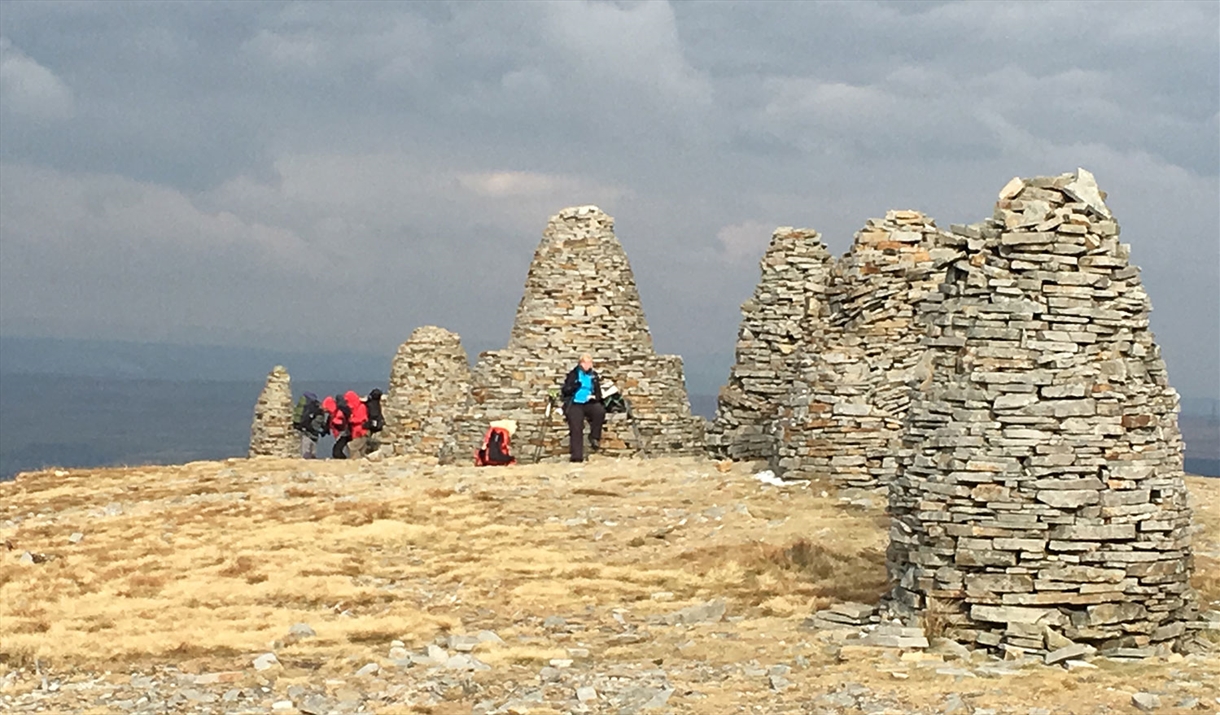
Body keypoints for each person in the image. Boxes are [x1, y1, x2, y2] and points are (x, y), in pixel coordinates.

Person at [560, 353, 605, 463]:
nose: (589, 365)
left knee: (600, 411)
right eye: (586, 362)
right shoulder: (573, 374)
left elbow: (598, 392)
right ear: (581, 363)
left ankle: (594, 436)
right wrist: (576, 386)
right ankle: (576, 456)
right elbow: (565, 390)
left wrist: (595, 397)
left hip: (589, 402)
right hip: (575, 403)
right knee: (576, 425)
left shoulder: (593, 376)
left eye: (590, 362)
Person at [292, 392, 327, 459]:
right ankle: (312, 460)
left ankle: (306, 461)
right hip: (314, 434)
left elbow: (306, 420)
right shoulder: (318, 410)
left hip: (307, 432)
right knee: (312, 450)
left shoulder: (309, 409)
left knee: (306, 450)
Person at [344, 390, 370, 459]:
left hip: (361, 432)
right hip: (356, 432)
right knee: (361, 450)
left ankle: (356, 461)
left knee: (351, 446)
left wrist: (351, 420)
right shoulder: (354, 408)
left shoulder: (361, 407)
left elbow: (361, 419)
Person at [326, 394, 351, 459]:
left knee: (337, 449)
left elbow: (338, 420)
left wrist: (334, 422)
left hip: (342, 432)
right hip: (345, 431)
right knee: (342, 448)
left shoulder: (339, 410)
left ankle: (345, 459)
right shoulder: (346, 409)